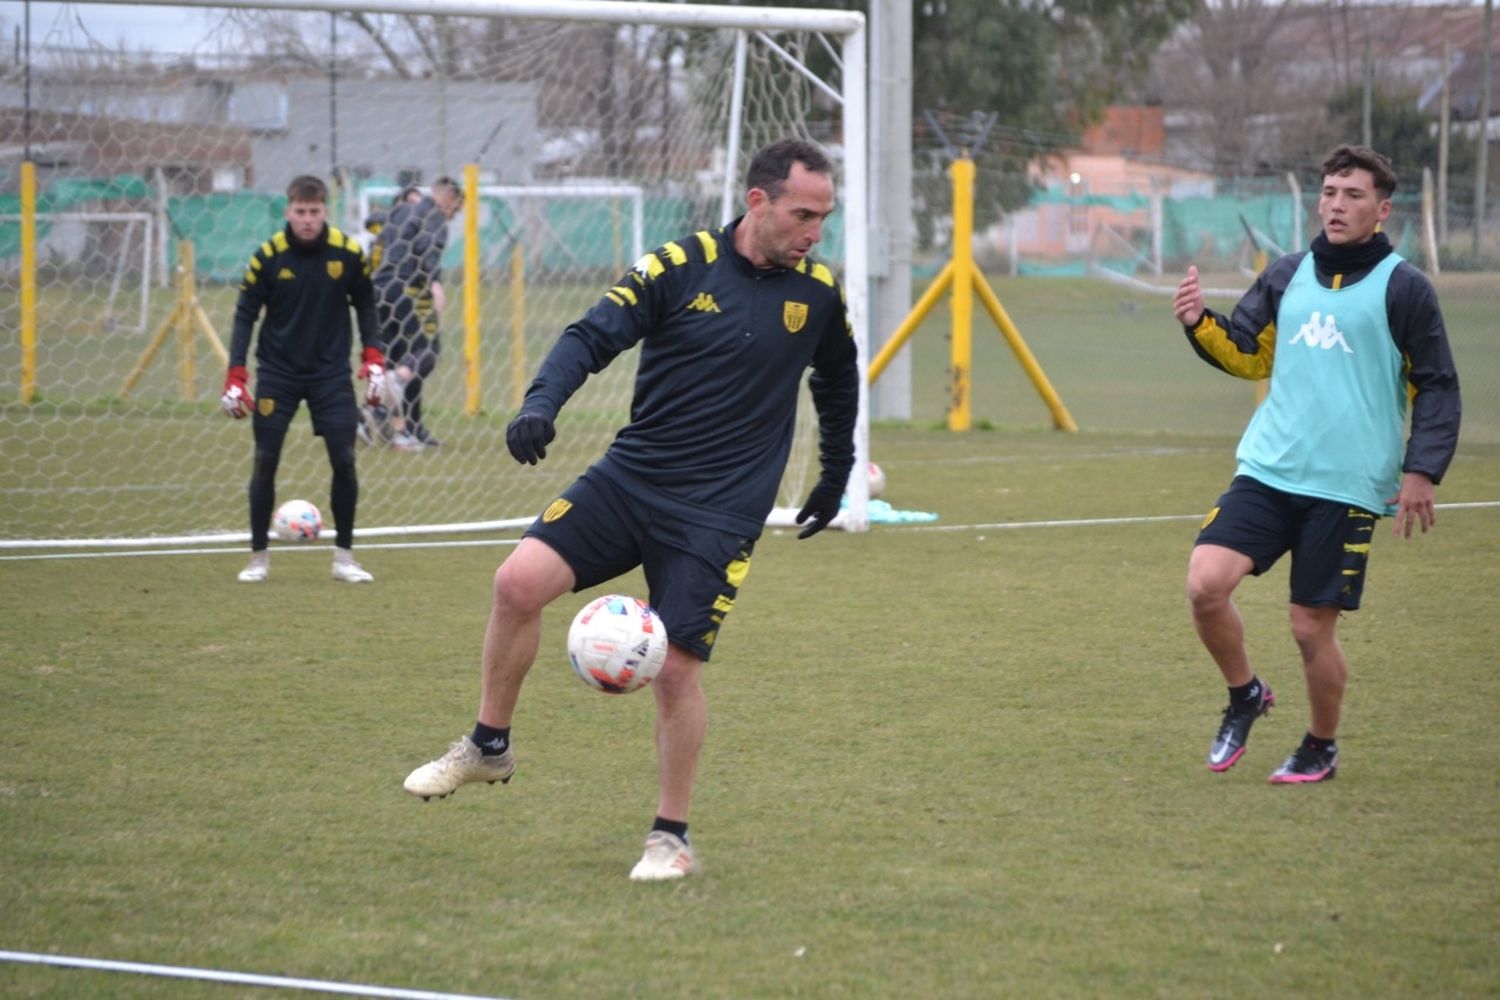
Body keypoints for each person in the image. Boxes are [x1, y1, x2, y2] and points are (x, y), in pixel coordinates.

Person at [402, 139, 860, 880]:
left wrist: (835, 472)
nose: (815, 231)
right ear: (757, 202)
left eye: (824, 217)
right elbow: (592, 335)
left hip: (718, 512)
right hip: (633, 479)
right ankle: (489, 747)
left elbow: (838, 381)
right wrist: (542, 402)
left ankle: (669, 839)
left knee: (676, 670)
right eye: (804, 214)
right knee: (516, 583)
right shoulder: (678, 267)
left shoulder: (818, 293)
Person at [1172, 144, 1460, 783]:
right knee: (1204, 584)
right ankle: (1245, 693)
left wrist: (1421, 471)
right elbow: (1249, 352)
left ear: (1382, 209)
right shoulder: (1287, 273)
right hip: (1268, 468)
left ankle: (1319, 746)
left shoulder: (1405, 288)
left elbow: (1437, 384)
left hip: (1347, 485)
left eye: (1353, 195)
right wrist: (1199, 323)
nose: (1337, 205)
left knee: (1308, 629)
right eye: (1330, 192)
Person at [221, 174, 385, 584]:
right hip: (278, 374)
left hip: (331, 376)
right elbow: (245, 314)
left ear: (325, 211)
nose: (307, 220)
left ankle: (344, 558)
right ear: (287, 211)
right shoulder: (268, 256)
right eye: (300, 212)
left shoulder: (347, 253)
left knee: (344, 460)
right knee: (265, 460)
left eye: (314, 212)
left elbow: (366, 303)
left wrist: (374, 356)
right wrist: (236, 375)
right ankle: (258, 558)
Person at [369, 176, 464, 450]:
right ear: (448, 197)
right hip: (409, 289)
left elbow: (379, 232)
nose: (455, 212)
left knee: (395, 355)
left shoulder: (399, 211)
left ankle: (401, 430)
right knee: (427, 350)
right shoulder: (433, 215)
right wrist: (435, 283)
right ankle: (389, 391)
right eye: (456, 205)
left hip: (379, 287)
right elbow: (428, 248)